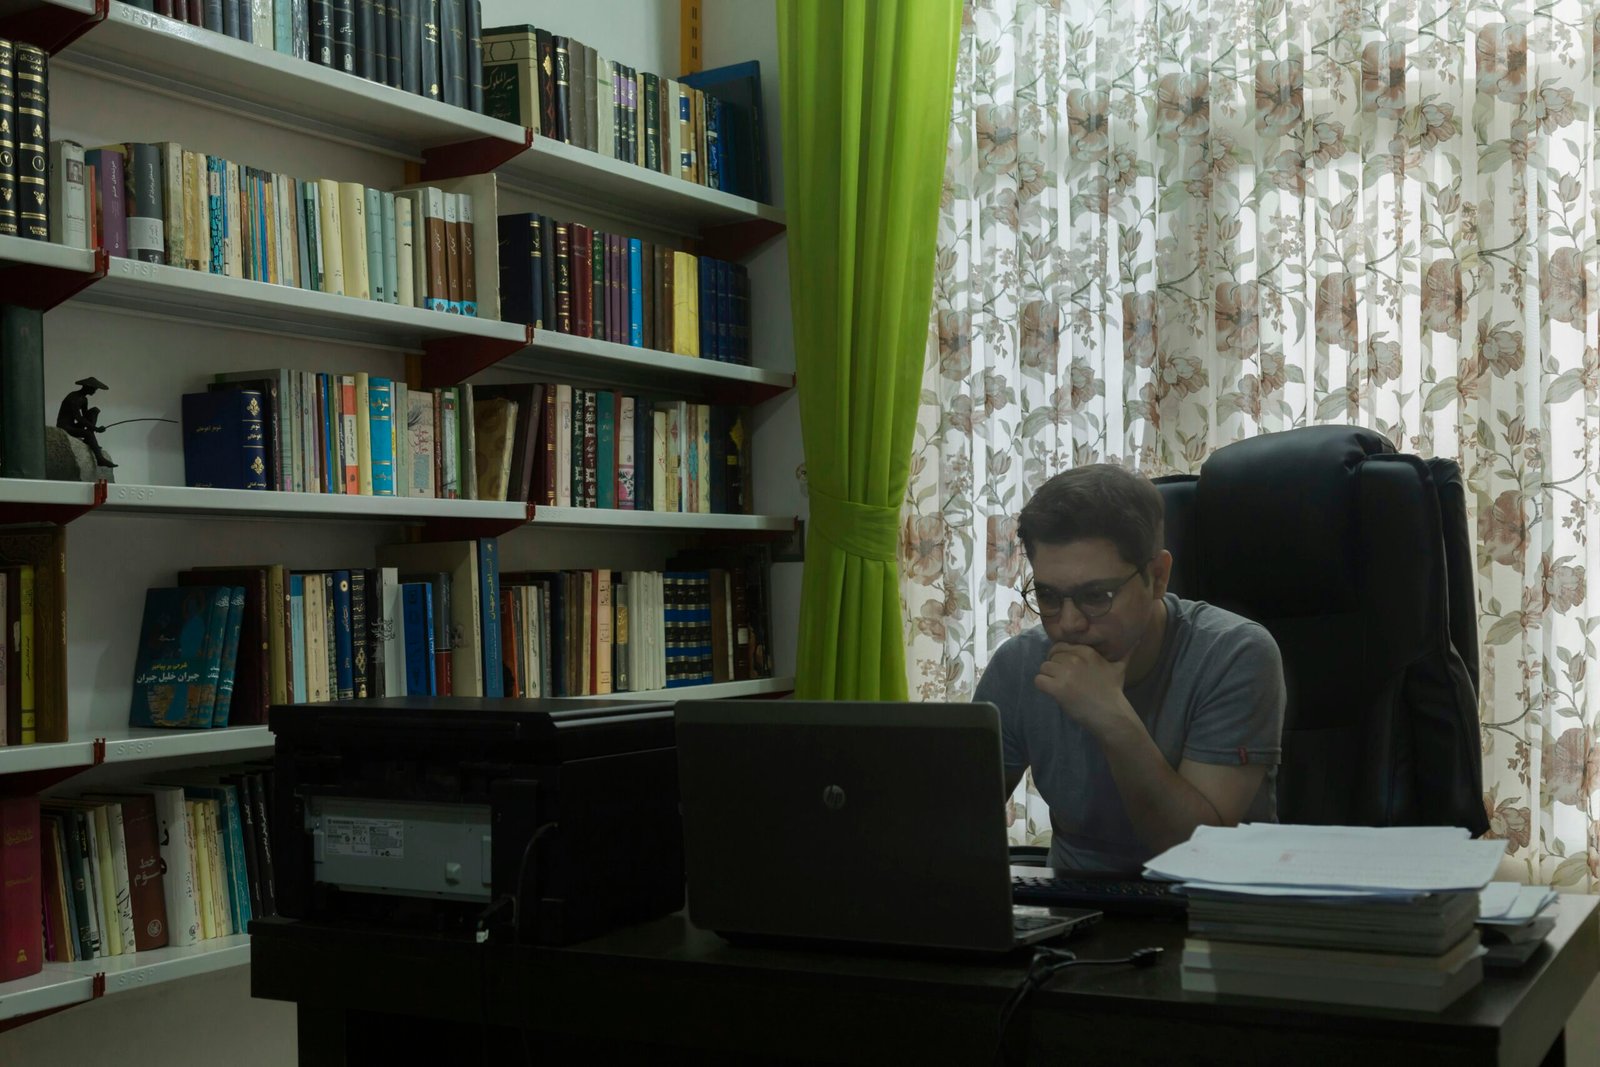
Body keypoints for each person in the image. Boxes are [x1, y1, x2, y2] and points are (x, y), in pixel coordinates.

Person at [976, 464, 1285, 872]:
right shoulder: (1020, 665)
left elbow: (1199, 855)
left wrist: (1111, 718)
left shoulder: (1235, 654)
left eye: (1096, 594)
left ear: (1157, 578)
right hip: (1071, 908)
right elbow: (951, 821)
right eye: (1048, 595)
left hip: (1208, 911)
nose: (1068, 623)